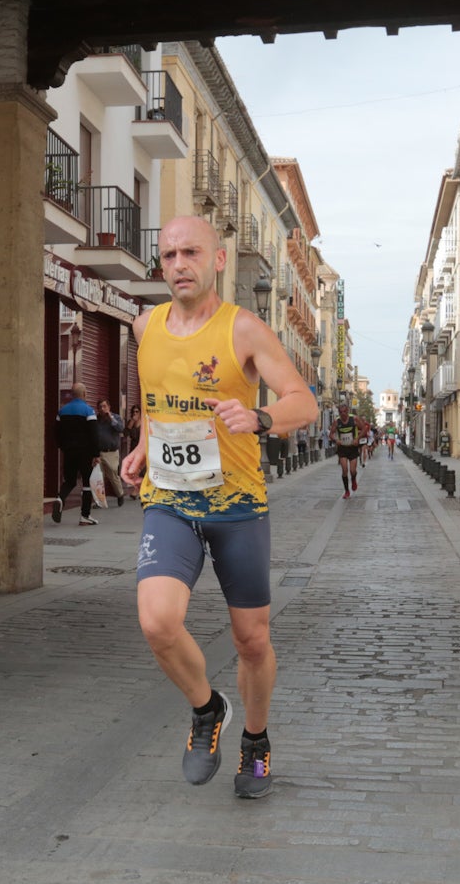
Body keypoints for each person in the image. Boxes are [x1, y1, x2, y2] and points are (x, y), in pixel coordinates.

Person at [120, 215, 317, 800]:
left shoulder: (246, 330)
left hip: (236, 505)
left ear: (218, 261)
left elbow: (302, 402)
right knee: (157, 620)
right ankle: (207, 710)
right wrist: (140, 445)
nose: (178, 265)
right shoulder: (143, 326)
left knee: (251, 640)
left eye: (190, 253)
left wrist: (258, 417)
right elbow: (158, 403)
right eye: (168, 255)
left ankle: (254, 742)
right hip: (170, 500)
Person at [53, 382, 100, 526]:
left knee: (70, 481)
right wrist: (96, 454)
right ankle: (85, 516)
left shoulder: (62, 411)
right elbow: (94, 435)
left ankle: (60, 498)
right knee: (87, 483)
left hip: (69, 451)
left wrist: (62, 446)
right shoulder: (89, 411)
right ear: (85, 394)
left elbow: (56, 432)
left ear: (72, 395)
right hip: (85, 453)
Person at [93, 398, 125, 507]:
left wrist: (111, 418)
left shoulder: (115, 417)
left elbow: (120, 428)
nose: (102, 409)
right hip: (99, 452)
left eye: (104, 406)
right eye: (100, 407)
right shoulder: (96, 420)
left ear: (109, 407)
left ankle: (120, 494)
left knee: (113, 475)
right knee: (99, 477)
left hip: (111, 452)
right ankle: (100, 501)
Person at [330, 399, 363, 498]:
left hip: (352, 448)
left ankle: (353, 479)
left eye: (344, 412)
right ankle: (346, 491)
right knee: (344, 470)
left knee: (352, 471)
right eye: (341, 412)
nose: (343, 414)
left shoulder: (355, 419)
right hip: (342, 448)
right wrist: (336, 440)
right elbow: (331, 434)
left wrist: (357, 438)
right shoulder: (337, 421)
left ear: (348, 411)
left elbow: (364, 429)